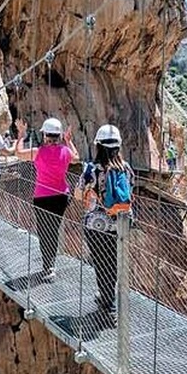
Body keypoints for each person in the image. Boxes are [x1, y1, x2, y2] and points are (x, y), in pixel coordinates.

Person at [75, 124, 134, 316]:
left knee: (100, 263)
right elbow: (130, 192)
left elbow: (77, 194)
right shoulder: (126, 168)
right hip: (120, 223)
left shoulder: (92, 169)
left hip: (96, 224)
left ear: (98, 146)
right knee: (112, 262)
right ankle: (108, 297)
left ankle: (108, 305)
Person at [14, 117, 80, 281]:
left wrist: (21, 134)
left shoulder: (38, 152)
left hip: (42, 196)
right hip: (62, 196)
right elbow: (77, 158)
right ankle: (52, 263)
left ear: (45, 136)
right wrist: (69, 141)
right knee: (54, 228)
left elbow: (18, 154)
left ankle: (48, 265)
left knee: (44, 231)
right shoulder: (65, 151)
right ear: (59, 136)